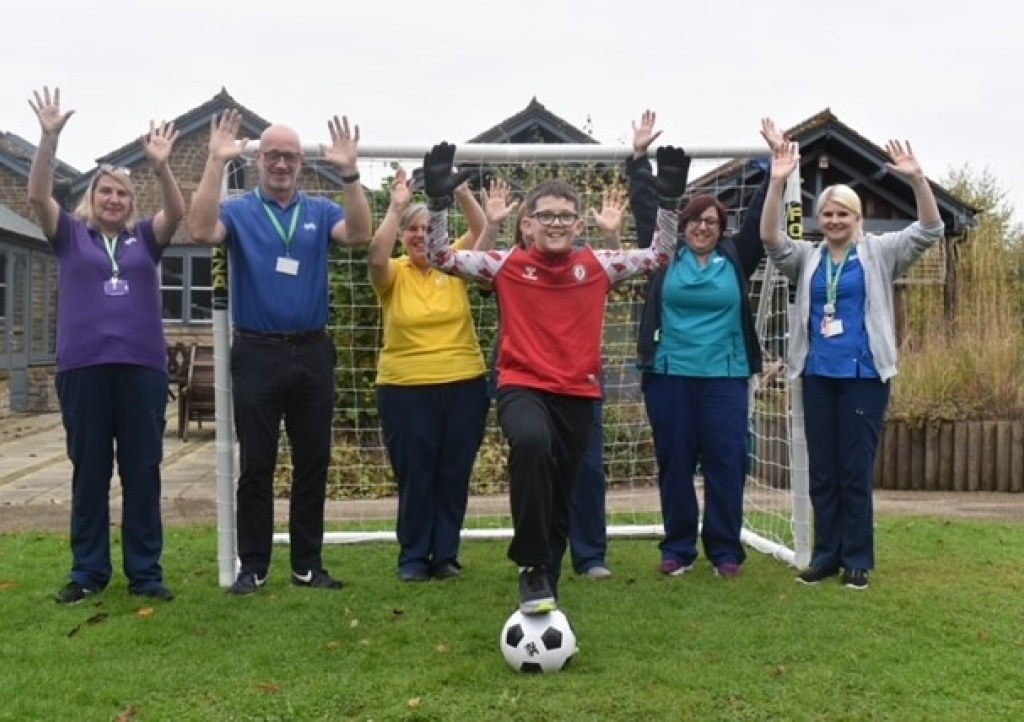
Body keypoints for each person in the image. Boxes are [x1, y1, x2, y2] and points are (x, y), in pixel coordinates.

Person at [421, 140, 686, 614]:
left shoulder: (599, 265)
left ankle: (546, 578)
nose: (556, 222)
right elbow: (441, 256)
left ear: (580, 225)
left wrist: (668, 202)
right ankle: (530, 564)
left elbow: (661, 255)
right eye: (546, 215)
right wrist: (439, 202)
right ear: (528, 224)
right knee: (531, 444)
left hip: (579, 393)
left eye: (565, 216)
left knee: (562, 492)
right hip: (522, 386)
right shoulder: (506, 264)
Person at [188, 109, 372, 595]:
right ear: (258, 160)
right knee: (257, 465)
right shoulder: (240, 211)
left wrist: (350, 173)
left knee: (314, 462)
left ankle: (307, 565)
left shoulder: (321, 211)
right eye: (272, 155)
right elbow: (200, 230)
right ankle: (254, 565)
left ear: (301, 164)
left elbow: (359, 234)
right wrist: (213, 161)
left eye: (290, 156)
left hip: (312, 353)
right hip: (258, 353)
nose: (282, 164)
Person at [760, 138, 944, 590]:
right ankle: (827, 556)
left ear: (857, 219)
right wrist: (778, 181)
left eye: (844, 213)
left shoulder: (879, 252)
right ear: (820, 220)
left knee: (854, 470)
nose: (835, 220)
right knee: (822, 471)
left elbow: (929, 230)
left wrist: (918, 179)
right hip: (819, 376)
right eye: (828, 213)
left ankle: (858, 559)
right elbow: (770, 238)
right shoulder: (809, 257)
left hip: (864, 377)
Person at [27, 86, 184, 604]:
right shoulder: (70, 235)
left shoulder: (146, 238)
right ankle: (89, 572)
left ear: (130, 201)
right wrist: (49, 138)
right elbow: (36, 197)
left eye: (121, 193)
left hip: (141, 369)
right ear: (91, 201)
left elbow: (176, 215)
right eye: (104, 193)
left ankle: (146, 573)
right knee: (90, 473)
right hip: (84, 368)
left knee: (142, 473)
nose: (113, 199)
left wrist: (161, 167)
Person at [627, 112, 781, 579]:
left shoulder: (737, 255)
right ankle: (677, 547)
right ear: (685, 225)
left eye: (712, 222)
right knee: (674, 463)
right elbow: (646, 210)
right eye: (695, 220)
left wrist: (777, 163)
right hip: (671, 374)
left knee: (726, 463)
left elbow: (760, 217)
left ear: (721, 227)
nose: (702, 227)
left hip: (726, 378)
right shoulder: (664, 252)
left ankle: (725, 550)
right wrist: (639, 160)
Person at [369, 168, 491, 582]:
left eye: (427, 228)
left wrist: (457, 190)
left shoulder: (452, 263)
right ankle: (414, 558)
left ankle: (446, 557)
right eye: (413, 230)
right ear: (404, 236)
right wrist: (397, 207)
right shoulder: (393, 274)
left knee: (453, 474)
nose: (422, 235)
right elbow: (375, 255)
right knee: (416, 475)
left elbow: (481, 227)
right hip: (405, 389)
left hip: (464, 385)